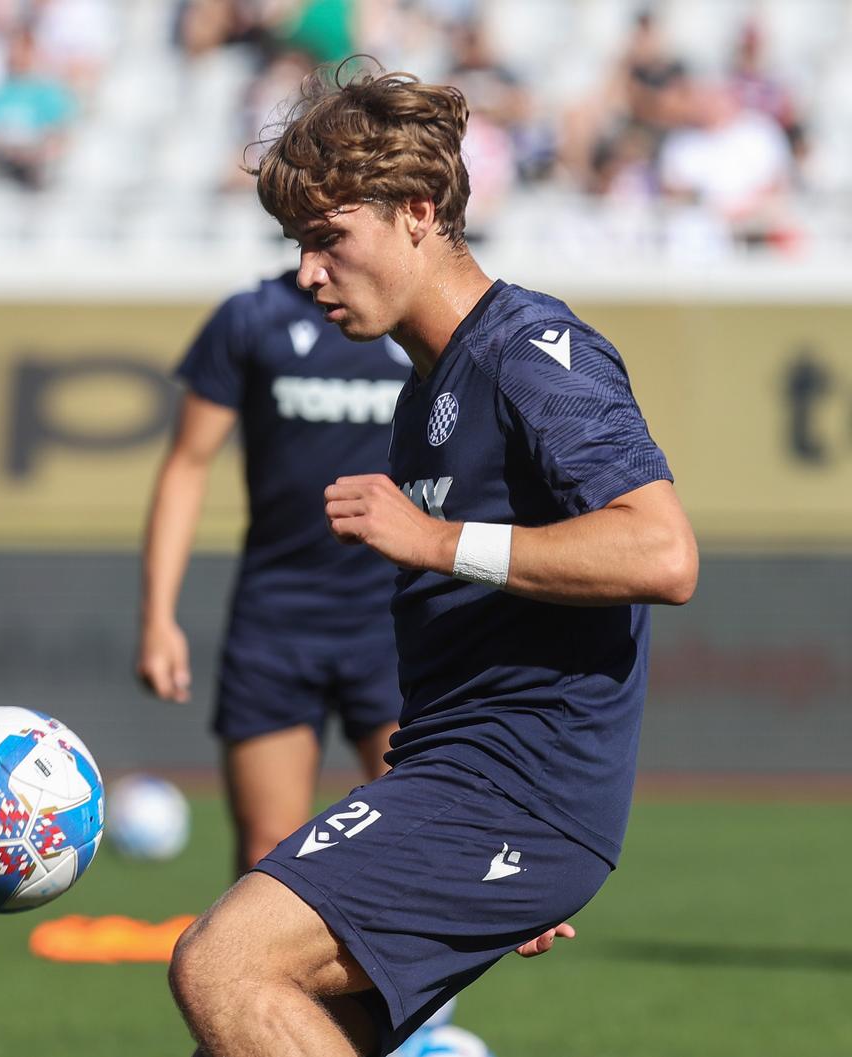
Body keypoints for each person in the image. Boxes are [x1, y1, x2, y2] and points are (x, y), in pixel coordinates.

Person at [168, 68, 698, 1057]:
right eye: (297, 247)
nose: (310, 274)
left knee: (221, 963)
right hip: (470, 798)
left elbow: (662, 550)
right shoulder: (426, 400)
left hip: (514, 795)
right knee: (244, 1032)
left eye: (328, 240)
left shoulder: (531, 351)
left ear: (417, 214)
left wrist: (437, 540)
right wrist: (469, 875)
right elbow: (464, 661)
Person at [137, 270, 409, 878]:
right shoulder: (250, 318)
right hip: (276, 616)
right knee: (268, 856)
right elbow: (187, 463)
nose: (315, 258)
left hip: (398, 618)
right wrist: (158, 618)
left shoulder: (413, 315)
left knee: (420, 846)